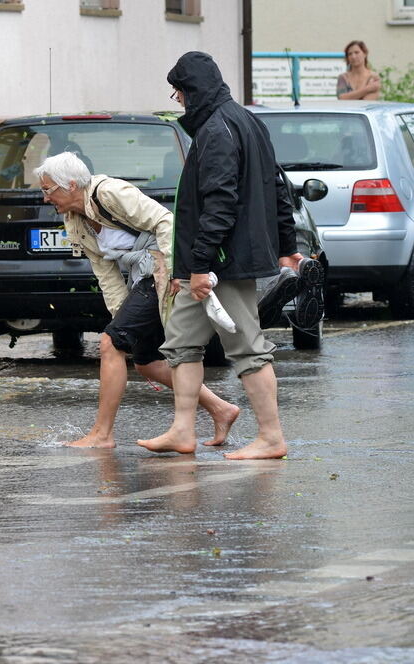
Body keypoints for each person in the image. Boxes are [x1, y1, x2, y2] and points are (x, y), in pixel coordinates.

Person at [138, 51, 303, 460]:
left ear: (193, 91)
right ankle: (182, 430)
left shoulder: (216, 130)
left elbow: (220, 204)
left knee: (246, 346)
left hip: (223, 264)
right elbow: (278, 188)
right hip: (217, 262)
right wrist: (287, 247)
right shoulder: (246, 121)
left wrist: (200, 267)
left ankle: (271, 437)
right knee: (181, 342)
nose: (178, 101)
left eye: (179, 93)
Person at [34, 152, 241, 450]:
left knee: (110, 343)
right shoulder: (74, 219)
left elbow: (165, 221)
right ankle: (221, 409)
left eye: (47, 189)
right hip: (142, 279)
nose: (45, 198)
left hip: (162, 269)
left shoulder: (109, 192)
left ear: (70, 185)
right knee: (147, 362)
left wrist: (175, 272)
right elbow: (105, 273)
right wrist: (122, 321)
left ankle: (102, 435)